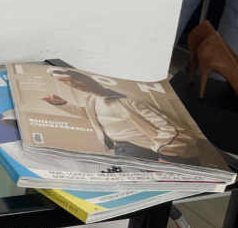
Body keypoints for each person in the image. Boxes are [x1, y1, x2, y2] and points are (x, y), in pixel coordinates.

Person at [39, 68, 204, 165]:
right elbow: (90, 114)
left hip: (142, 149)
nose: (72, 85)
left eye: (73, 80)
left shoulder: (129, 101)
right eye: (64, 83)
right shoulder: (91, 97)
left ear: (86, 77)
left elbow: (171, 129)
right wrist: (61, 104)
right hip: (122, 147)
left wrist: (164, 155)